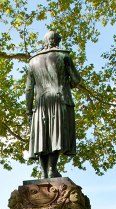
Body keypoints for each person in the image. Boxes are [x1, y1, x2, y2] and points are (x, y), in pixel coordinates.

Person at [25, 30, 81, 179]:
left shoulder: (32, 61)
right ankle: (52, 169)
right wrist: (65, 83)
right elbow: (76, 79)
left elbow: (29, 89)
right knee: (55, 135)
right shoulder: (64, 56)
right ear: (57, 41)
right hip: (59, 98)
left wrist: (29, 111)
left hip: (41, 102)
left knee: (42, 137)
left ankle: (43, 172)